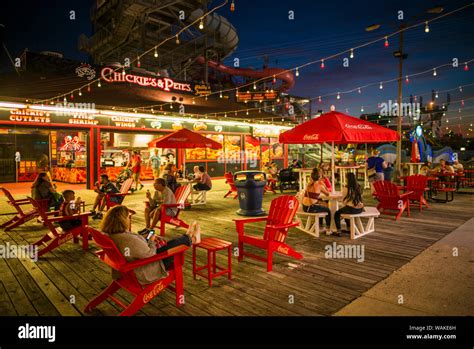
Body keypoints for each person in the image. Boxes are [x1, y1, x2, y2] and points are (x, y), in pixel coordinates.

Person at [100, 205, 201, 283]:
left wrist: (145, 238)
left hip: (133, 264)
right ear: (122, 220)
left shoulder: (111, 233)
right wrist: (151, 241)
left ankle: (188, 237)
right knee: (173, 245)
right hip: (146, 268)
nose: (129, 219)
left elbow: (133, 247)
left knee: (164, 241)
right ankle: (191, 238)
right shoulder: (127, 239)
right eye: (127, 217)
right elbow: (150, 255)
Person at [302, 169, 332, 235]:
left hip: (304, 207)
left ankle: (320, 226)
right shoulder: (319, 185)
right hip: (311, 208)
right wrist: (323, 184)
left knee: (321, 206)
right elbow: (328, 194)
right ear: (319, 177)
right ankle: (328, 229)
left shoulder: (309, 184)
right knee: (328, 210)